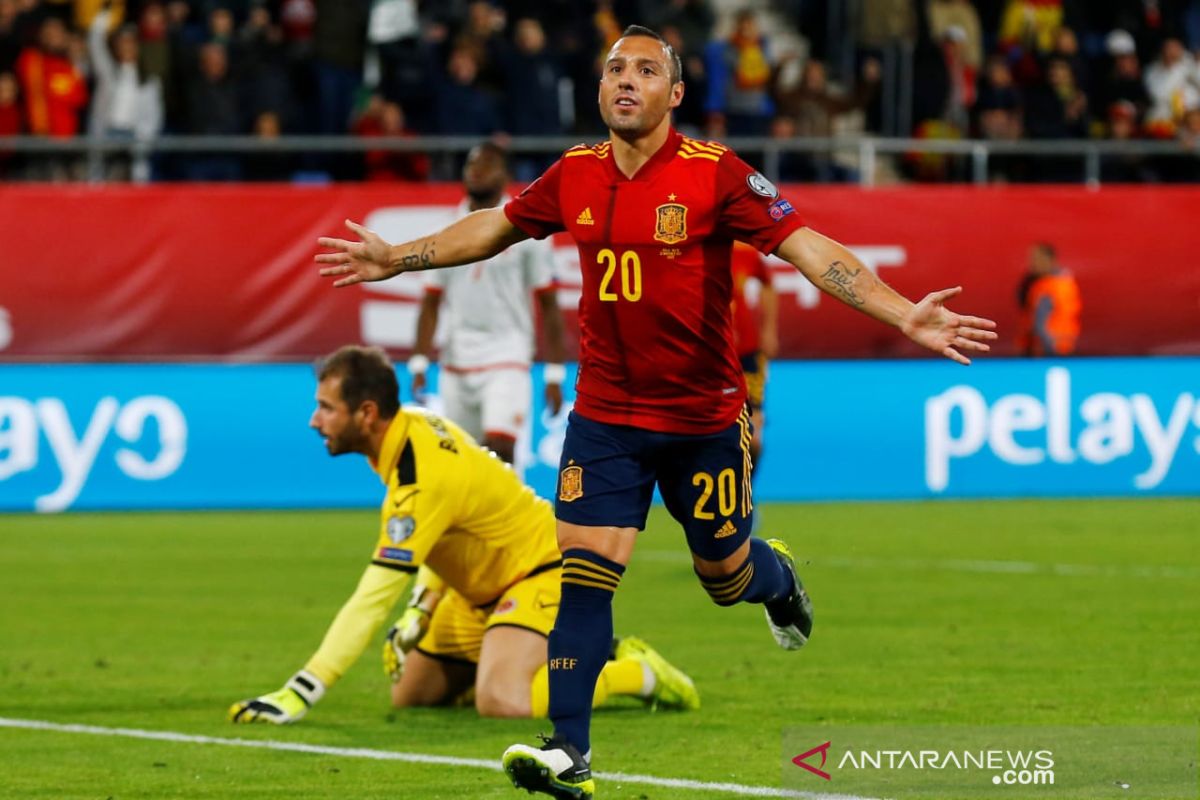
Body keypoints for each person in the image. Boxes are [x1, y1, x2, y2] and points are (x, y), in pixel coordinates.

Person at [315, 26, 997, 800]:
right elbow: (495, 227)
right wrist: (396, 256)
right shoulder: (574, 174)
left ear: (676, 94)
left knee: (725, 574)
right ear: (599, 90)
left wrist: (902, 312)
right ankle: (569, 751)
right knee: (583, 574)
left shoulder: (717, 175)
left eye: (646, 70)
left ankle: (779, 581)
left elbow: (810, 249)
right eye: (614, 69)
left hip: (704, 418)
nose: (626, 80)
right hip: (607, 415)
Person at [229, 345, 698, 725]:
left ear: (367, 413)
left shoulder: (420, 476)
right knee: (411, 697)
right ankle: (515, 651)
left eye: (326, 408)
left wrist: (303, 690)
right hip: (474, 590)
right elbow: (448, 530)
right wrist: (421, 608)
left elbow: (373, 596)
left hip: (539, 572)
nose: (315, 420)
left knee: (503, 702)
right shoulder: (409, 429)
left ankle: (632, 672)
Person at [409, 142, 566, 466]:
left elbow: (548, 304)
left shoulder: (526, 228)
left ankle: (513, 515)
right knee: (464, 464)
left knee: (500, 450)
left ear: (505, 175)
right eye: (471, 165)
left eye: (486, 165)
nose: (476, 171)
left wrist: (553, 373)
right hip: (456, 359)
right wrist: (419, 362)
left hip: (507, 355)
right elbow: (430, 301)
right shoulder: (445, 228)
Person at [730, 241, 777, 475]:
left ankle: (745, 497)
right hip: (708, 357)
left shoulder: (743, 252)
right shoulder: (687, 248)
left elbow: (767, 283)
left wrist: (769, 329)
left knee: (753, 437)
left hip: (747, 354)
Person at [1016, 242, 1081, 356]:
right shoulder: (1067, 281)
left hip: (1048, 349)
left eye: (1036, 259)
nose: (1032, 264)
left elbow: (1040, 323)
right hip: (1064, 345)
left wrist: (1046, 350)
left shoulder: (1046, 287)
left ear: (1049, 259)